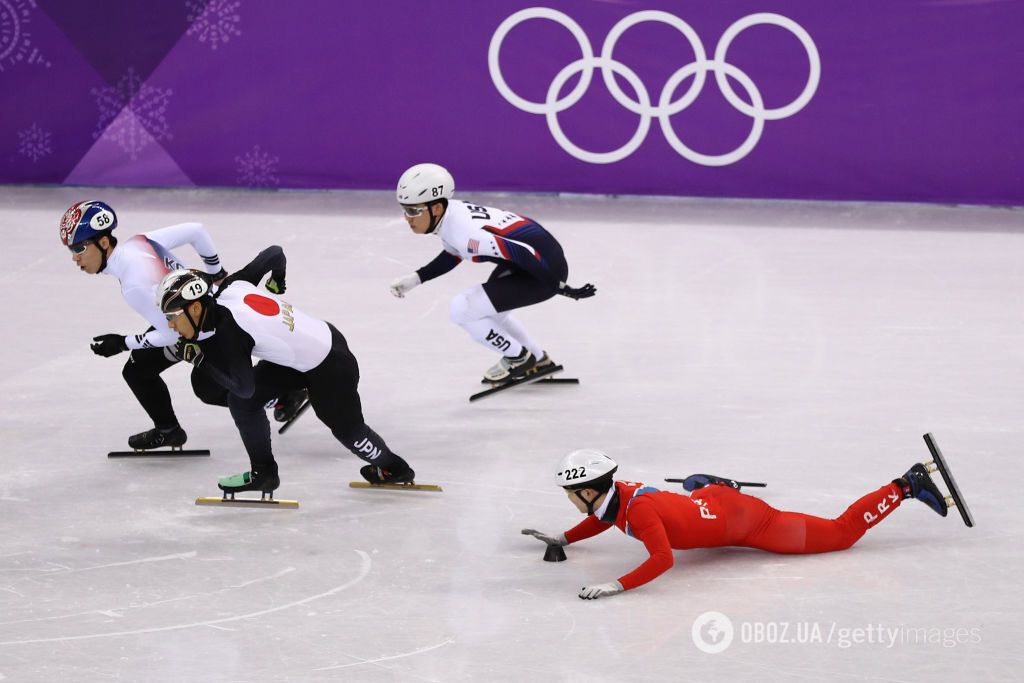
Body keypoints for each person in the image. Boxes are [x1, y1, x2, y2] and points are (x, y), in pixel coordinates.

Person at [523, 449, 959, 600]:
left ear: (589, 489)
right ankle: (709, 484)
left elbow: (662, 561)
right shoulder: (617, 495)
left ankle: (906, 484)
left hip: (752, 522)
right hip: (712, 503)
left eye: (569, 494)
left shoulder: (638, 511)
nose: (568, 501)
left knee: (841, 533)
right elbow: (602, 520)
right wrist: (563, 537)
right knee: (698, 493)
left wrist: (615, 585)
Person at [156, 248, 415, 494]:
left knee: (350, 432)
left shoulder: (229, 332)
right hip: (304, 349)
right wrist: (278, 279)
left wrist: (200, 360)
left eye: (173, 315)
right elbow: (275, 253)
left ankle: (395, 468)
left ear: (196, 307)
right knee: (242, 403)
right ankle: (264, 473)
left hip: (331, 368)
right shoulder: (230, 286)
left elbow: (243, 386)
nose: (170, 323)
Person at [388, 163, 596, 383]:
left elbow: (523, 251)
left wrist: (559, 287)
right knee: (489, 314)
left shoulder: (466, 234)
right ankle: (537, 359)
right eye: (404, 209)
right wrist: (416, 279)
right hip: (533, 263)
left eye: (413, 210)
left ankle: (519, 359)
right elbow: (454, 253)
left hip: (540, 268)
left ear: (436, 208)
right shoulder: (451, 215)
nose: (407, 217)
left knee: (462, 308)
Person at [60, 200, 228, 450]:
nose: (75, 257)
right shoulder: (138, 243)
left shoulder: (133, 284)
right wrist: (216, 273)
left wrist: (121, 343)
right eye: (70, 250)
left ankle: (277, 394)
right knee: (138, 369)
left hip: (203, 328)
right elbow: (197, 230)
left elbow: (172, 336)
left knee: (207, 388)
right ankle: (168, 430)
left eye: (79, 248)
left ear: (103, 243)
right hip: (205, 309)